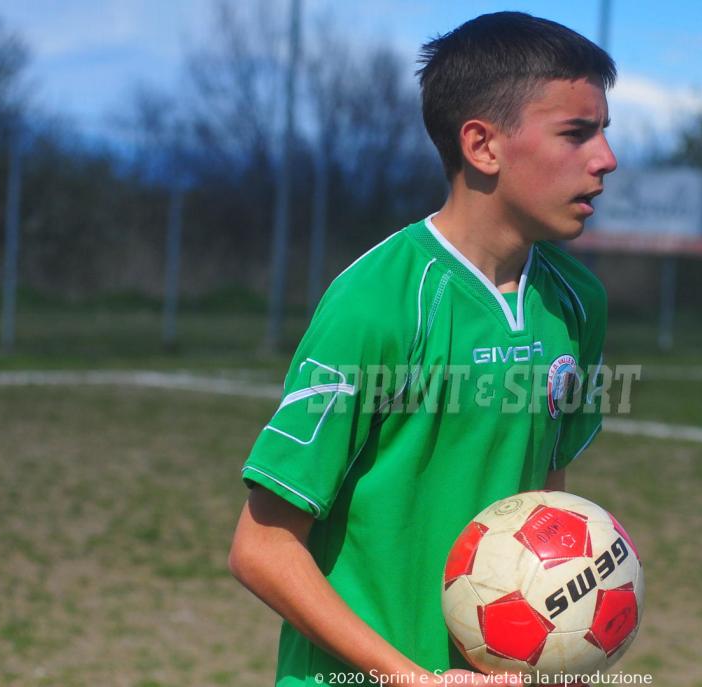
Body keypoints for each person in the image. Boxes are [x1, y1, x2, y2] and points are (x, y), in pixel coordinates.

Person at [229, 11, 617, 687]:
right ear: (483, 145)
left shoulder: (575, 303)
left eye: (605, 130)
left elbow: (543, 502)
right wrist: (411, 677)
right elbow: (261, 548)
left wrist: (554, 644)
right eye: (576, 133)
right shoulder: (377, 301)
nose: (606, 157)